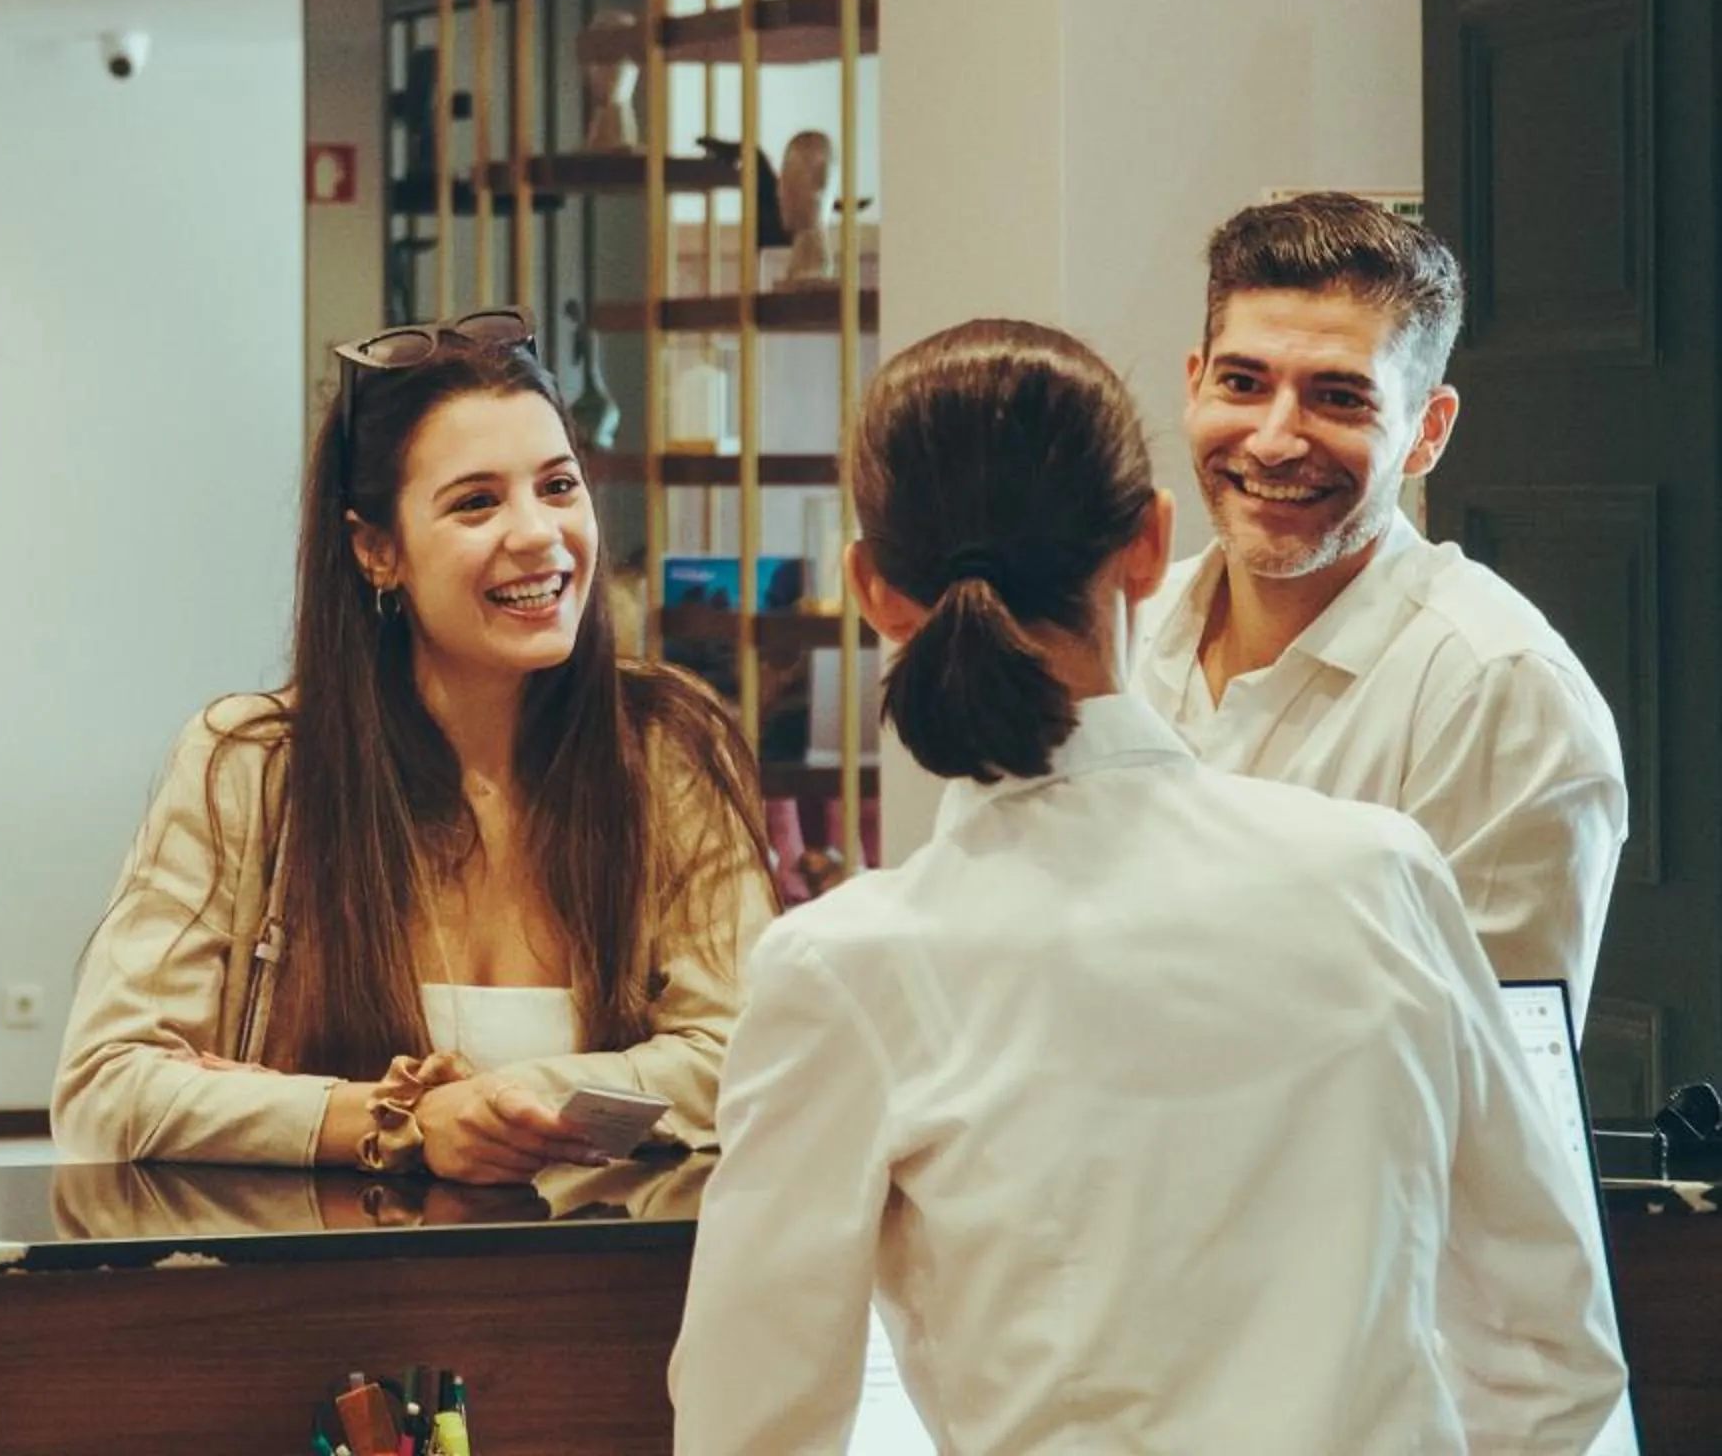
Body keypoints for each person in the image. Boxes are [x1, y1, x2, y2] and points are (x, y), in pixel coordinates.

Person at [669, 319, 1623, 1454]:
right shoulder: (1383, 872)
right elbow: (1551, 1353)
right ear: (1147, 542)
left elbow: (750, 1427)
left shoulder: (848, 966)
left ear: (873, 587)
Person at [51, 307, 776, 1181]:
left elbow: (748, 1062)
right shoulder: (253, 762)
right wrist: (397, 1121)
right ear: (376, 551)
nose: (540, 534)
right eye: (477, 502)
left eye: (558, 486)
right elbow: (105, 1089)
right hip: (322, 1307)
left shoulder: (669, 750)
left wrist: (503, 1103)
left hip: (607, 1301)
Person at [1134, 193, 1627, 1016]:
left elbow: (1489, 1087)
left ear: (1428, 430)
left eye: (1340, 398)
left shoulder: (1500, 693)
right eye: (1243, 383)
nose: (1273, 440)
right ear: (1195, 385)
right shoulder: (1121, 634)